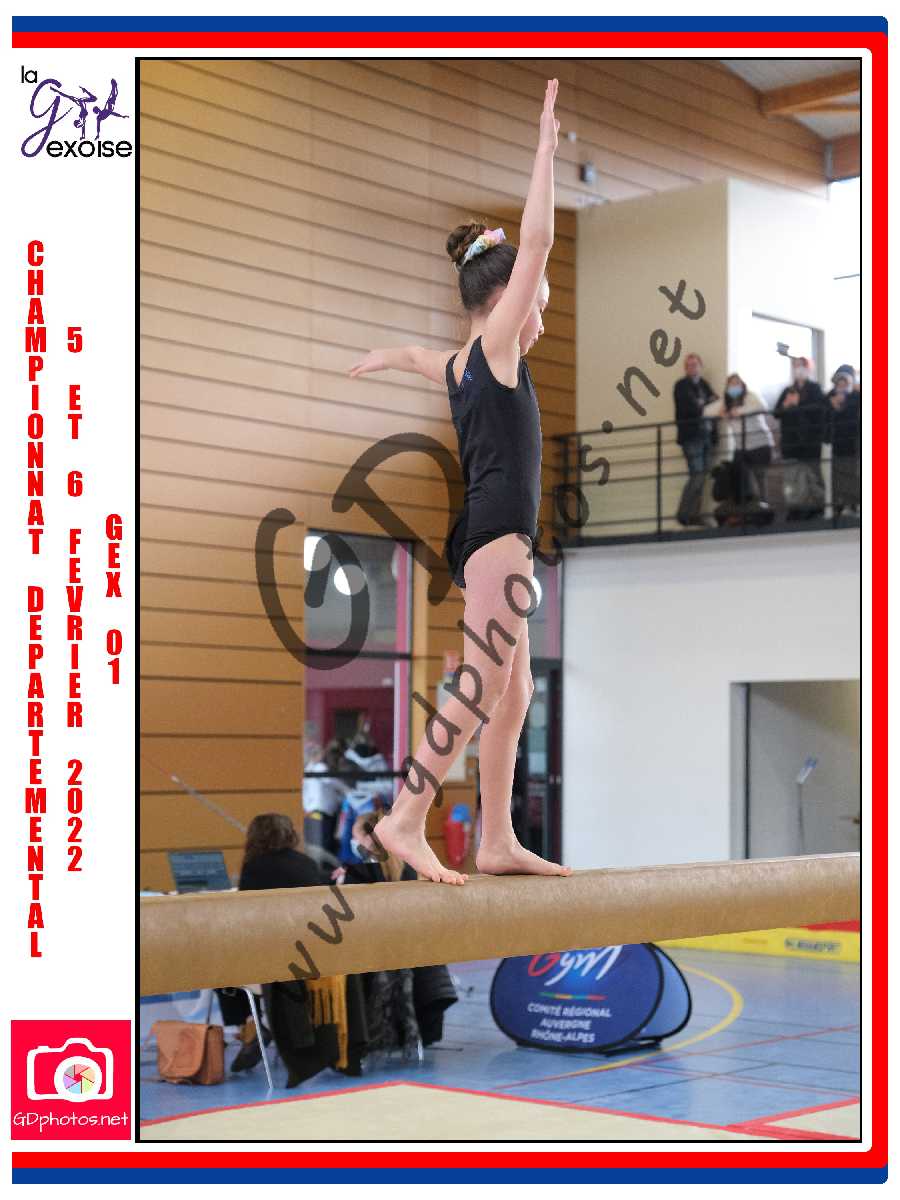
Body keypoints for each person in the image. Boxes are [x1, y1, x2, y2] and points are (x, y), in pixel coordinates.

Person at [348, 79, 570, 884]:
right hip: (498, 533)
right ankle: (406, 817)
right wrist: (544, 147)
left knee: (514, 694)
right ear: (505, 300)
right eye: (536, 303)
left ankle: (497, 838)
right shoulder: (497, 348)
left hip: (486, 534)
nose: (539, 318)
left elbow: (418, 355)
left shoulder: (457, 363)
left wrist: (385, 356)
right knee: (483, 681)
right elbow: (537, 241)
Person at [224, 813, 326, 1073]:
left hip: (276, 960)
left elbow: (247, 916)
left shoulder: (255, 867)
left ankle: (250, 1024)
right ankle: (256, 1023)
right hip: (315, 954)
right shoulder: (307, 863)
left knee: (221, 972)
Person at [705, 373, 775, 504]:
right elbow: (706, 411)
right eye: (731, 384)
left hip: (760, 445)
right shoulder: (726, 402)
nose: (734, 386)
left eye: (737, 383)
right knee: (740, 480)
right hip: (741, 448)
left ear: (742, 385)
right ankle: (745, 509)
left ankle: (764, 508)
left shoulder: (751, 396)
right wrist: (720, 413)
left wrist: (737, 412)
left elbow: (761, 406)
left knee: (759, 479)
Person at [774, 356, 827, 520]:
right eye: (796, 366)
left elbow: (820, 410)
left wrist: (799, 404)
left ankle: (817, 507)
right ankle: (795, 507)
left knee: (812, 474)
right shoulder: (787, 390)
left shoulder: (815, 389)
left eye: (802, 366)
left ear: (808, 369)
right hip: (790, 441)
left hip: (810, 441)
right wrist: (785, 405)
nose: (798, 370)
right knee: (792, 476)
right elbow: (776, 413)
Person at [673, 353, 718, 526]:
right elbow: (691, 408)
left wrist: (704, 403)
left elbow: (715, 402)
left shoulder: (704, 384)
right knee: (697, 475)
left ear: (700, 366)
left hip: (706, 435)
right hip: (692, 437)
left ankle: (694, 514)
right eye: (689, 365)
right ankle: (684, 513)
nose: (692, 368)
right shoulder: (681, 385)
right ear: (685, 368)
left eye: (695, 364)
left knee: (703, 477)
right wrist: (706, 404)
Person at [302, 738, 350, 855]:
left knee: (316, 842)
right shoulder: (320, 767)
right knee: (325, 841)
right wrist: (348, 790)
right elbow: (330, 780)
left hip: (312, 810)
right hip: (323, 811)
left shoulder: (309, 769)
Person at [824, 367, 861, 515]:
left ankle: (853, 504)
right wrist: (833, 405)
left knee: (853, 472)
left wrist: (840, 406)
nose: (841, 386)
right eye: (838, 383)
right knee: (838, 475)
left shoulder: (856, 396)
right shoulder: (829, 397)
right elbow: (825, 415)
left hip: (853, 442)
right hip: (837, 443)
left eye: (844, 382)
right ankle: (839, 506)